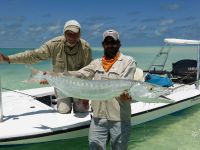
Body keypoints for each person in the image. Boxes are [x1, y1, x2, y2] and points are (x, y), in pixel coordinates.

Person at [0, 19, 92, 114]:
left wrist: (85, 96)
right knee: (64, 110)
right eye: (69, 34)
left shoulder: (85, 47)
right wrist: (8, 58)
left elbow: (89, 72)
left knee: (82, 111)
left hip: (79, 87)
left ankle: (77, 101)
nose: (72, 37)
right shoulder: (54, 44)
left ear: (80, 34)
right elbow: (33, 55)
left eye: (75, 34)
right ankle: (65, 101)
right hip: (61, 86)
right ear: (64, 33)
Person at [65, 29, 136, 150]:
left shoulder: (128, 62)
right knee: (94, 146)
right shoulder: (96, 63)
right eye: (107, 43)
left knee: (119, 147)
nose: (110, 45)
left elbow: (124, 86)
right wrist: (56, 76)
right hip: (98, 116)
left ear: (119, 44)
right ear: (103, 45)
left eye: (113, 42)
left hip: (119, 117)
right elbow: (81, 74)